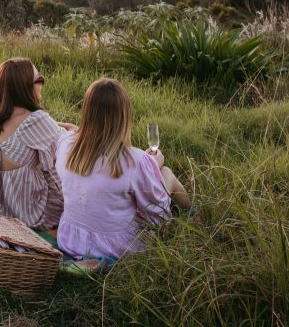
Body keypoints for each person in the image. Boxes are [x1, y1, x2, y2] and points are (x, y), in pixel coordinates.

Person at [54, 78, 190, 260]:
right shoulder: (135, 160)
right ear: (124, 115)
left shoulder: (66, 146)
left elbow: (74, 135)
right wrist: (153, 167)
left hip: (71, 240)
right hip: (117, 247)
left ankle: (193, 212)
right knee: (167, 174)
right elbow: (157, 214)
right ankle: (194, 212)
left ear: (86, 112)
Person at [0, 58, 75, 229]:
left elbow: (22, 130)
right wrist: (73, 130)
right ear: (24, 87)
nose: (42, 83)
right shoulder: (37, 121)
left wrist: (58, 125)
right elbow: (66, 150)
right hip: (22, 210)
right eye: (39, 79)